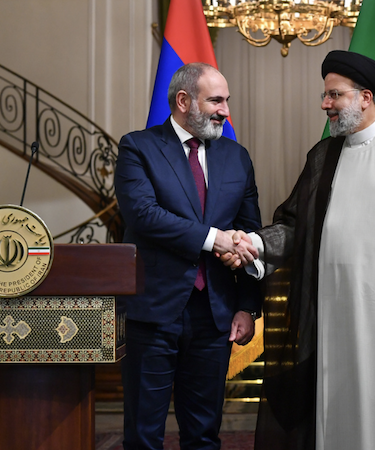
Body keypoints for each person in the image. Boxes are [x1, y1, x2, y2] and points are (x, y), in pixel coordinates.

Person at [222, 50, 375, 450]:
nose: (325, 104)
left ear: (365, 97)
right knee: (336, 408)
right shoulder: (323, 157)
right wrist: (252, 244)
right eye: (325, 96)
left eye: (334, 95)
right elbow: (294, 225)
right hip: (333, 313)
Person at [115, 62, 263, 450]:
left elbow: (250, 236)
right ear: (183, 100)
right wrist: (215, 239)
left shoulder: (237, 157)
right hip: (152, 313)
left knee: (204, 434)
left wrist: (247, 307)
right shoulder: (138, 147)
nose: (225, 110)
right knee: (144, 435)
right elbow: (143, 216)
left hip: (214, 316)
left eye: (227, 100)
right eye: (216, 100)